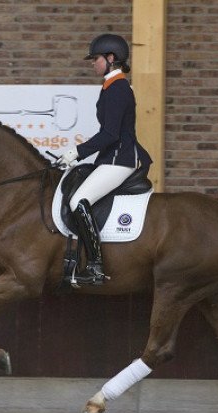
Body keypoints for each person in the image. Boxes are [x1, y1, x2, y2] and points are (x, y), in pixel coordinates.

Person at [58, 33, 153, 285]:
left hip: (120, 159)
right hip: (111, 157)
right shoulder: (112, 86)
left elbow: (110, 134)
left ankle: (96, 265)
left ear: (111, 59)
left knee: (79, 200)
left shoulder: (118, 88)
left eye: (96, 58)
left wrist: (77, 152)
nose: (93, 63)